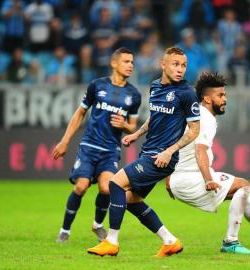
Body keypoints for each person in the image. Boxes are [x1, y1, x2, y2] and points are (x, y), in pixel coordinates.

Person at [87, 47, 200, 257]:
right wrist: (136, 134)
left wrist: (170, 151)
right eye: (175, 64)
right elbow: (155, 116)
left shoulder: (187, 93)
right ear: (163, 65)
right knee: (131, 200)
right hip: (149, 151)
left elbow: (195, 130)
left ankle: (111, 241)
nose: (180, 69)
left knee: (115, 183)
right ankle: (170, 241)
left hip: (161, 157)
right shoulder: (155, 86)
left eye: (183, 65)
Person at [168, 72, 250, 254]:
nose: (225, 99)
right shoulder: (204, 118)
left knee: (246, 191)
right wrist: (207, 179)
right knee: (243, 187)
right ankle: (231, 242)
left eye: (225, 95)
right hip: (191, 178)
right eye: (220, 95)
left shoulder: (196, 114)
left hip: (182, 178)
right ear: (206, 98)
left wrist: (169, 177)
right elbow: (200, 151)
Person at [52, 47, 141, 243]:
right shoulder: (97, 85)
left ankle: (97, 225)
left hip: (111, 150)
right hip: (89, 146)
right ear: (114, 63)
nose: (130, 66)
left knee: (106, 189)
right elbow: (80, 113)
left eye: (132, 62)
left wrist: (124, 125)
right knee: (81, 187)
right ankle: (65, 230)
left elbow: (133, 126)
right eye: (126, 61)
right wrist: (65, 141)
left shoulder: (133, 95)